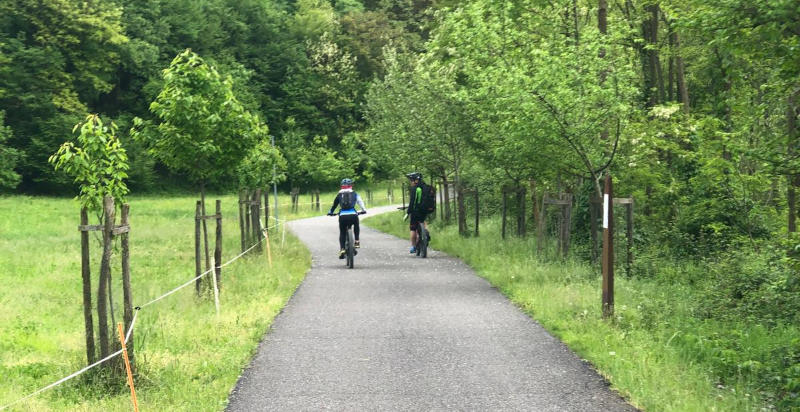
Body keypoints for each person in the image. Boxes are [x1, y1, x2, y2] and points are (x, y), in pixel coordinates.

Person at [328, 178, 367, 259]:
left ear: (341, 186)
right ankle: (356, 241)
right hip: (353, 215)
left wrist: (330, 212)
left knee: (342, 232)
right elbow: (360, 202)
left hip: (342, 216)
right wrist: (363, 210)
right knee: (356, 225)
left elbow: (334, 206)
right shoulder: (354, 193)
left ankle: (342, 249)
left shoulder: (339, 195)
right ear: (351, 185)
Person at [405, 172, 431, 254]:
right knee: (423, 221)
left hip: (416, 211)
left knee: (413, 228)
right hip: (425, 210)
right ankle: (426, 234)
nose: (411, 182)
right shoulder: (426, 187)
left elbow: (412, 202)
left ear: (414, 180)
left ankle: (413, 246)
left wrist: (408, 211)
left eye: (411, 180)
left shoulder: (415, 189)